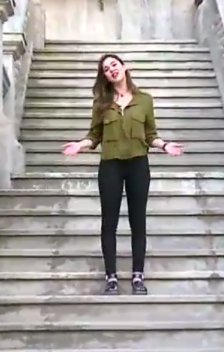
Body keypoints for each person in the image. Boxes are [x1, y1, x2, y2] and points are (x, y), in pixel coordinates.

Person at [61, 53, 184, 295]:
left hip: (138, 165)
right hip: (111, 166)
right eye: (106, 69)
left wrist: (165, 145)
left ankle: (138, 276)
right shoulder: (101, 104)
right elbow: (94, 135)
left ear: (124, 67)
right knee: (109, 223)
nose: (111, 70)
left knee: (138, 222)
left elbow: (150, 135)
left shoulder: (144, 100)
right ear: (105, 76)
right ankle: (111, 278)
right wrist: (80, 145)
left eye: (114, 65)